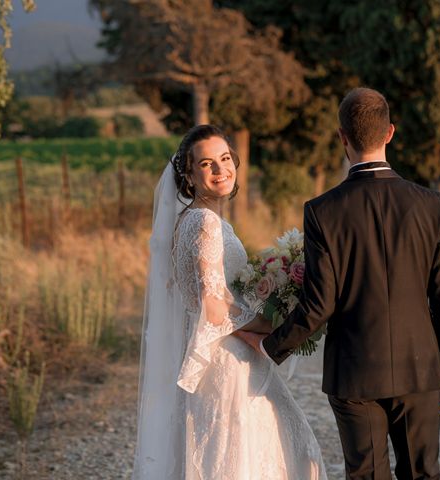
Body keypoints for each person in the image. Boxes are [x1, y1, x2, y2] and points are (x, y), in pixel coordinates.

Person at [239, 88, 440, 480]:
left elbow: (318, 303)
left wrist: (270, 344)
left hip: (354, 371)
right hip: (419, 368)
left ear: (342, 136)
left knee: (365, 475)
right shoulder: (430, 204)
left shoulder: (322, 211)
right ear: (390, 133)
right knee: (423, 473)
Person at [132, 124, 327, 479]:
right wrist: (268, 326)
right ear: (189, 175)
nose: (221, 170)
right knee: (254, 452)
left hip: (210, 355)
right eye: (206, 164)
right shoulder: (205, 223)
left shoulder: (185, 222)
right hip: (229, 361)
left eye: (225, 158)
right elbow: (214, 305)